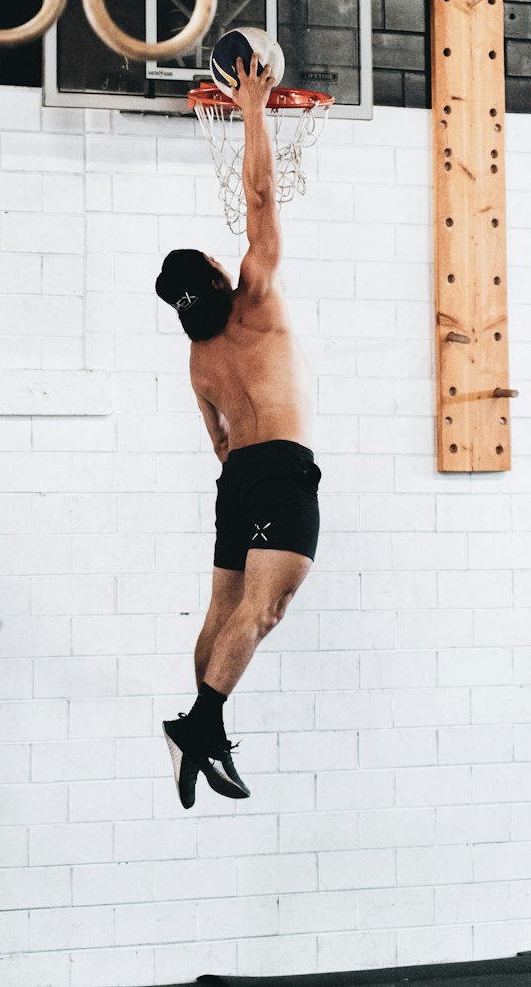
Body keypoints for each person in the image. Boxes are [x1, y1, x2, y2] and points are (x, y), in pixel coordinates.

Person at [154, 53, 321, 809]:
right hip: (283, 470)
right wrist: (253, 109)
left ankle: (202, 724)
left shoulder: (198, 360)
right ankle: (201, 725)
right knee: (266, 609)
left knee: (225, 609)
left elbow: (218, 443)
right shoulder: (254, 299)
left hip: (237, 478)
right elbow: (258, 196)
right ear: (220, 275)